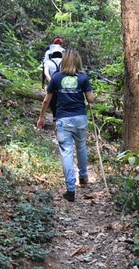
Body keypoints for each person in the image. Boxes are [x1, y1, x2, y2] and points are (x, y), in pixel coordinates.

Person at [37, 48, 95, 202]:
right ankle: (82, 177)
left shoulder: (56, 78)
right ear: (78, 61)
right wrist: (90, 95)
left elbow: (46, 100)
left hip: (63, 120)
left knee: (66, 152)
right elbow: (90, 99)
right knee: (81, 147)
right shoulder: (83, 77)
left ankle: (70, 190)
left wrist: (41, 117)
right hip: (80, 118)